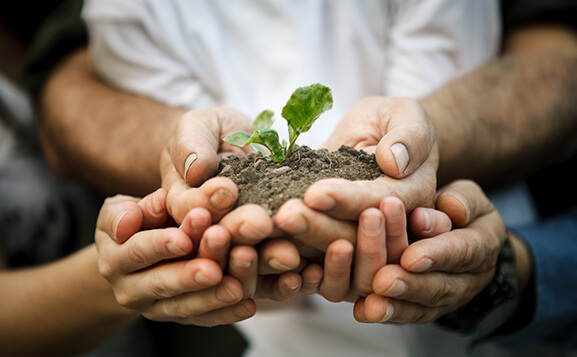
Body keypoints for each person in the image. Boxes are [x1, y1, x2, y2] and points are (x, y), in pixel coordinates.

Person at [22, 0, 577, 356]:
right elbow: (66, 84)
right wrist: (187, 158)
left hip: (497, 306)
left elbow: (557, 60)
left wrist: (421, 139)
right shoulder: (125, 17)